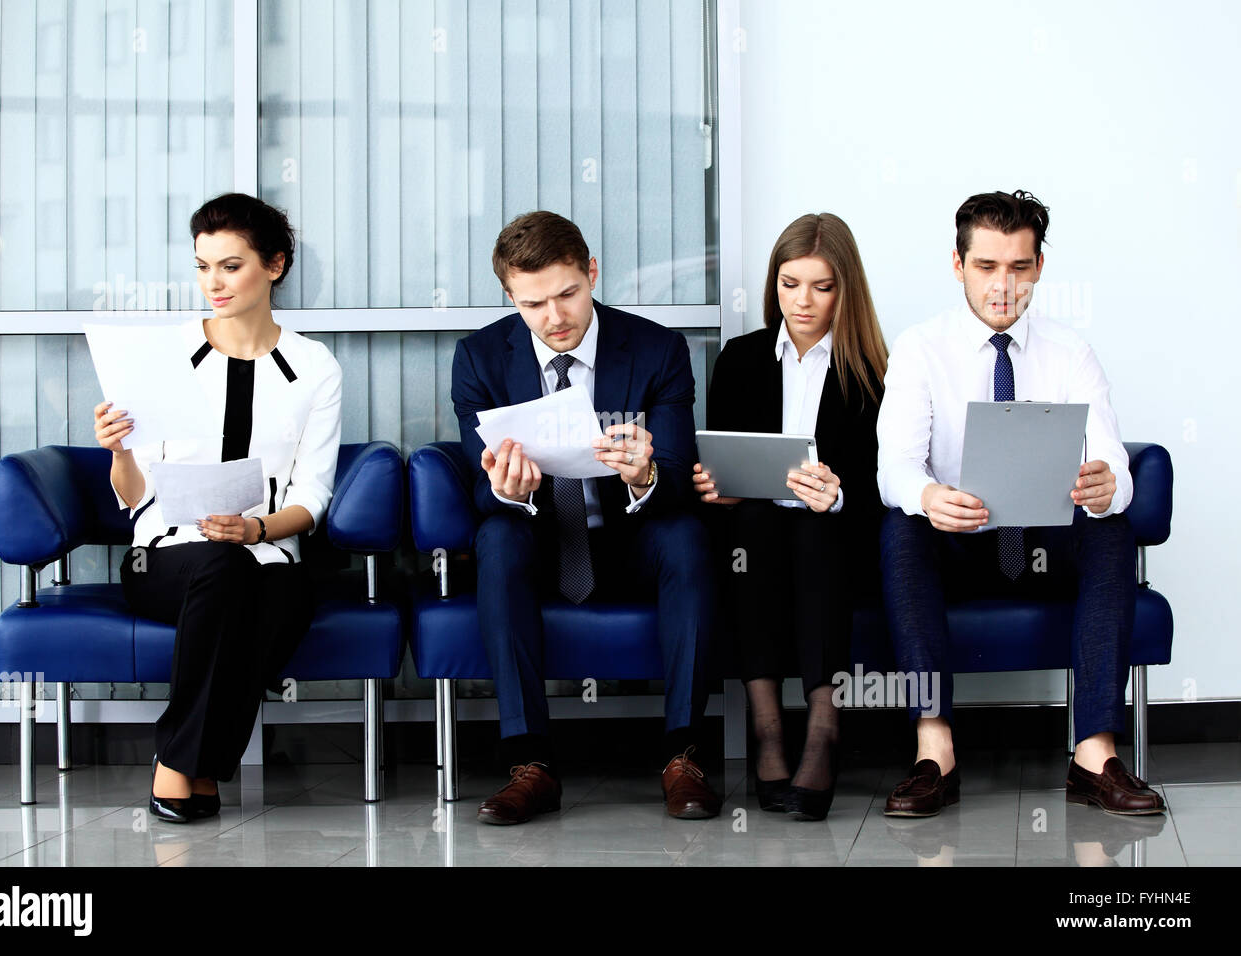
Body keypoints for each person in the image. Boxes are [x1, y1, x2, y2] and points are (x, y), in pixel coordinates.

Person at [875, 189, 1164, 816]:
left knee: (1110, 523)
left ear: (1038, 268)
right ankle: (935, 748)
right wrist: (929, 495)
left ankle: (1094, 754)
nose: (1003, 286)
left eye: (1019, 267)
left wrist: (1110, 483)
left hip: (1046, 543)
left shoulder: (1070, 351)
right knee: (903, 526)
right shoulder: (921, 348)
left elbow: (1114, 459)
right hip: (963, 540)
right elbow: (893, 467)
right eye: (986, 267)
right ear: (958, 266)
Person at [451, 210, 720, 824]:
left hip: (631, 540)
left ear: (592, 273)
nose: (555, 317)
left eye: (568, 294)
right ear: (510, 297)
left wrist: (645, 474)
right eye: (533, 304)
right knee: (497, 535)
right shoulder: (480, 359)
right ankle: (531, 764)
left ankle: (683, 756)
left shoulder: (657, 350)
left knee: (685, 536)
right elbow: (479, 484)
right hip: (540, 543)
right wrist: (508, 490)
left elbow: (677, 476)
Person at [94, 193, 342, 823]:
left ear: (274, 266)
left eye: (230, 266)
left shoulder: (315, 367)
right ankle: (182, 765)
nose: (214, 282)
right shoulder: (164, 354)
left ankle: (190, 766)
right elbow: (136, 496)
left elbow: (313, 497)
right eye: (203, 267)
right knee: (223, 570)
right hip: (165, 561)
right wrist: (119, 452)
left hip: (268, 556)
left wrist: (256, 527)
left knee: (256, 579)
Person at [694, 213, 888, 820]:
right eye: (789, 283)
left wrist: (839, 492)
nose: (802, 302)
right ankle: (768, 727)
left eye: (821, 287)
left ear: (845, 291)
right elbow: (721, 455)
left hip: (835, 535)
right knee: (753, 528)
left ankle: (824, 731)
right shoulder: (742, 358)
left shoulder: (873, 371)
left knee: (815, 531)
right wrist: (713, 486)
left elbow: (888, 480)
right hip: (754, 533)